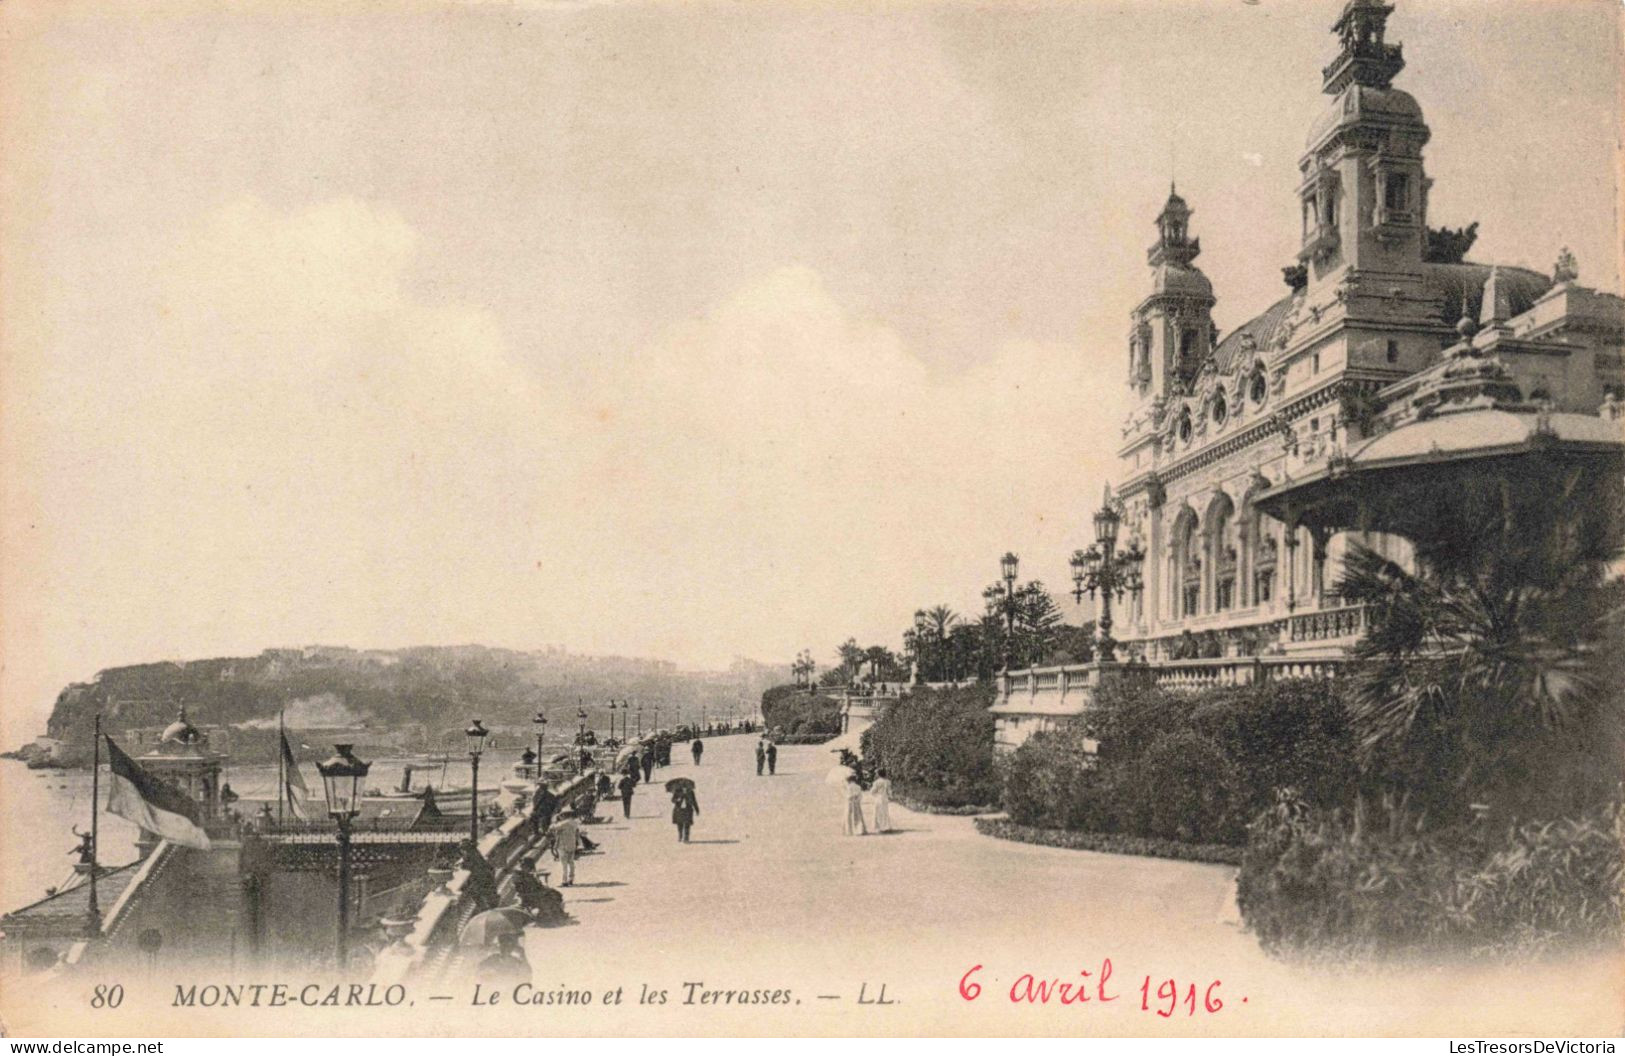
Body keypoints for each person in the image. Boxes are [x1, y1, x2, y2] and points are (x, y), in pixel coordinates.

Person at [512, 855, 569, 926]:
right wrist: (543, 890)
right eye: (529, 868)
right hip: (531, 897)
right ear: (525, 867)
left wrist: (542, 888)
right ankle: (555, 915)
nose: (530, 870)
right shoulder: (521, 877)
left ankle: (557, 914)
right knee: (551, 896)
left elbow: (535, 886)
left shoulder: (523, 875)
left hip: (534, 894)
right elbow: (528, 890)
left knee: (554, 894)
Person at [459, 839, 501, 910]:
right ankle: (491, 906)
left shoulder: (470, 853)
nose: (462, 850)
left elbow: (472, 864)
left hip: (481, 876)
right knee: (487, 892)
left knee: (478, 893)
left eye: (462, 848)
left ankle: (487, 907)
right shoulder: (474, 851)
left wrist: (462, 865)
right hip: (484, 875)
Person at [545, 810, 582, 885]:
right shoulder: (574, 822)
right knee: (571, 862)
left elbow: (552, 828)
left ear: (565, 815)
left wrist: (554, 821)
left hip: (563, 845)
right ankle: (571, 878)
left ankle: (564, 880)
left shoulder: (564, 823)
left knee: (563, 864)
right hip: (572, 844)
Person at [870, 768, 893, 833]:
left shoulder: (876, 782)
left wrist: (875, 795)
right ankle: (886, 826)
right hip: (885, 798)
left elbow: (872, 791)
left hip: (878, 798)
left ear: (878, 774)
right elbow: (889, 791)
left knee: (878, 812)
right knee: (885, 812)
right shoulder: (888, 781)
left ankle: (880, 827)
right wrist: (890, 796)